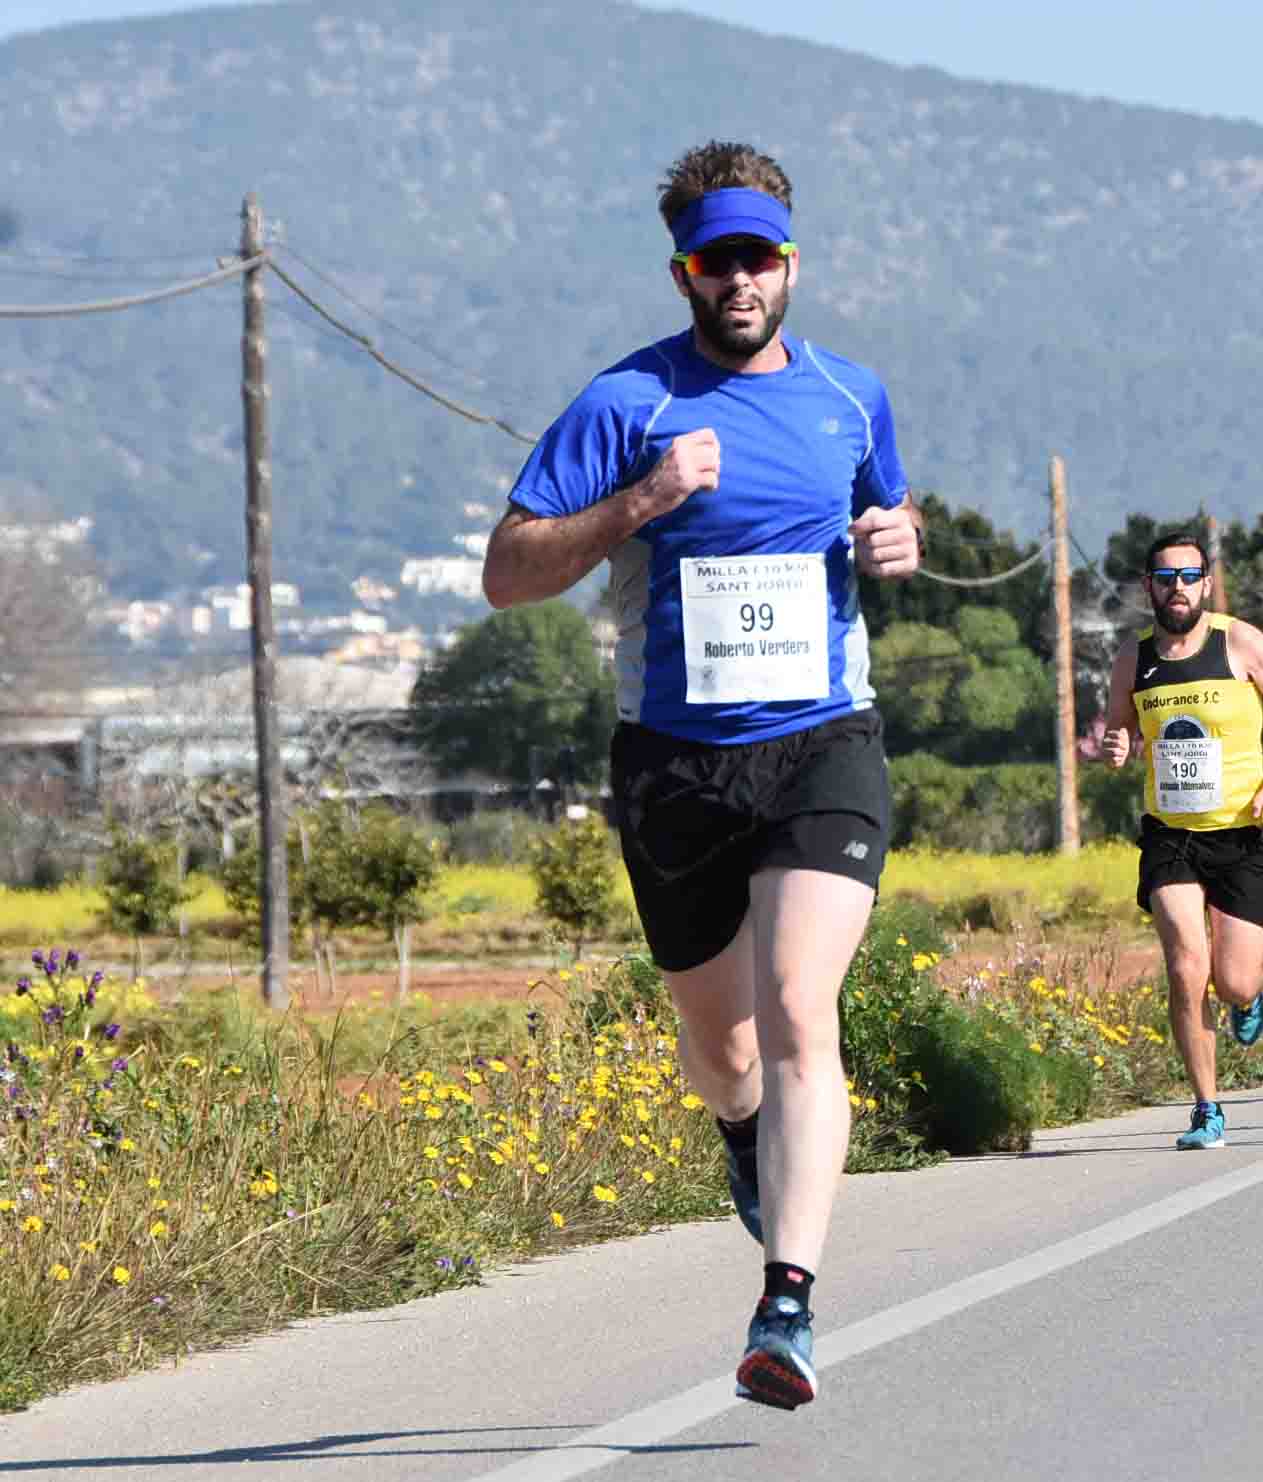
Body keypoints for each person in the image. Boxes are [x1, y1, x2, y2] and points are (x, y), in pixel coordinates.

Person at [480, 140, 924, 1410]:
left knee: (796, 1007)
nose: (740, 281)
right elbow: (508, 573)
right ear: (683, 273)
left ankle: (787, 1305)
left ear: (792, 265)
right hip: (675, 762)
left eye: (759, 259)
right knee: (723, 1048)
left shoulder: (850, 397)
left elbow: (891, 513)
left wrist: (900, 540)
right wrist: (641, 500)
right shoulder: (626, 405)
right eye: (714, 262)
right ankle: (743, 1136)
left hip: (824, 743)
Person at [1102, 533, 1263, 1151]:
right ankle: (1206, 1108)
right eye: (1165, 578)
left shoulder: (1238, 642)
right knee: (1185, 967)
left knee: (1234, 982)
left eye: (1189, 577)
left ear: (1205, 583)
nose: (1178, 588)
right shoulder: (1133, 658)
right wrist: (1117, 745)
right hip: (1170, 835)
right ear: (1148, 586)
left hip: (1241, 833)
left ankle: (1249, 999)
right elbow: (1119, 731)